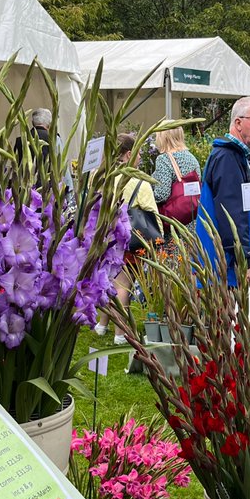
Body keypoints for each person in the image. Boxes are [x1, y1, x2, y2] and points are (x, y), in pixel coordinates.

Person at [195, 96, 250, 285]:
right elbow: (231, 213)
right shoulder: (227, 157)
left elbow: (243, 206)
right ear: (238, 123)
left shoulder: (236, 156)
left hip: (230, 267)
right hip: (229, 271)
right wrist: (244, 261)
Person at [95, 132, 161, 342]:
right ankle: (120, 333)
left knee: (109, 280)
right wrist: (158, 241)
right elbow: (152, 212)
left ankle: (101, 325)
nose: (141, 156)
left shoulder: (101, 175)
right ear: (130, 153)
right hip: (127, 240)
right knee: (123, 284)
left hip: (104, 237)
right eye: (139, 152)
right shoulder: (139, 181)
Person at [151, 126, 201, 229]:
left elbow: (162, 194)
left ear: (164, 138)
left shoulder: (164, 159)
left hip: (175, 224)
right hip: (192, 221)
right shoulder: (191, 157)